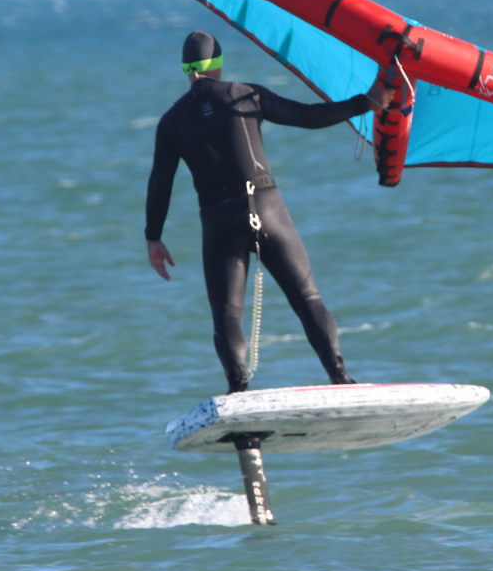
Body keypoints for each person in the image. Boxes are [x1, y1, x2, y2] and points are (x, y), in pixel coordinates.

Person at [145, 31, 388, 394]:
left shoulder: (171, 121)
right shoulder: (244, 94)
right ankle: (340, 377)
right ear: (218, 64)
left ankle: (238, 390)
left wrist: (153, 237)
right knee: (307, 298)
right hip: (265, 206)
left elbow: (160, 182)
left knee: (228, 314)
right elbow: (307, 116)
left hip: (218, 220)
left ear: (185, 69)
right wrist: (365, 102)